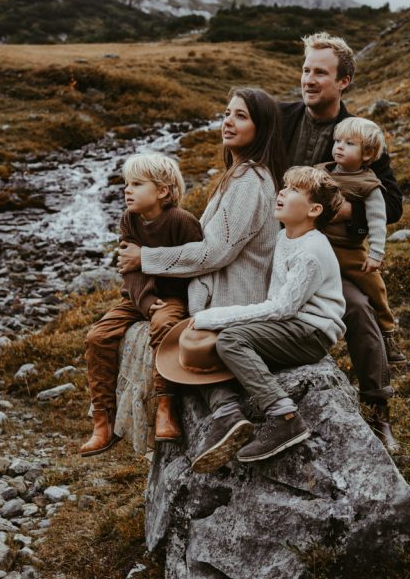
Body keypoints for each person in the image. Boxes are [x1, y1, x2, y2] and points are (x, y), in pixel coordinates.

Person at [117, 87, 287, 437]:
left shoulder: (251, 180)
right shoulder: (239, 175)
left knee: (183, 349)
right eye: (227, 113)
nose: (229, 121)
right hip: (225, 294)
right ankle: (224, 413)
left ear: (263, 127)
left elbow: (215, 252)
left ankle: (226, 414)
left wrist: (145, 258)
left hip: (236, 298)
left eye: (241, 116)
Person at [279, 32, 403, 454]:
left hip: (328, 255)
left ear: (343, 81)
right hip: (271, 246)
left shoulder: (360, 135)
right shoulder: (279, 118)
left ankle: (378, 411)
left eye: (320, 73)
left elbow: (393, 203)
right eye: (306, 70)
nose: (309, 79)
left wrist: (347, 214)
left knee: (359, 309)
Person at [182, 165, 346, 472]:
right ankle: (227, 413)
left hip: (312, 332)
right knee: (215, 346)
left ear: (314, 209)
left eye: (294, 190)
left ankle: (284, 415)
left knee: (230, 338)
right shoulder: (285, 237)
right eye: (283, 186)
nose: (281, 193)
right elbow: (276, 305)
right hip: (292, 325)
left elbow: (281, 308)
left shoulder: (311, 250)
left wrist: (216, 316)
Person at [80, 152, 202, 457]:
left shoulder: (182, 222)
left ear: (162, 191)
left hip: (174, 298)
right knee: (98, 337)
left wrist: (163, 306)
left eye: (136, 183)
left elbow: (196, 263)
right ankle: (103, 422)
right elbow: (129, 269)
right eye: (126, 183)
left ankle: (165, 407)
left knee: (163, 326)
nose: (127, 190)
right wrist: (145, 302)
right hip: (137, 298)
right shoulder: (129, 219)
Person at [317, 116, 406, 363]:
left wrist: (376, 254)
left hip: (349, 250)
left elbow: (377, 222)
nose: (339, 147)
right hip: (316, 244)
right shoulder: (320, 172)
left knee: (374, 287)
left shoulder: (370, 186)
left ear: (367, 154)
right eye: (337, 141)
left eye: (349, 143)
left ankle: (387, 331)